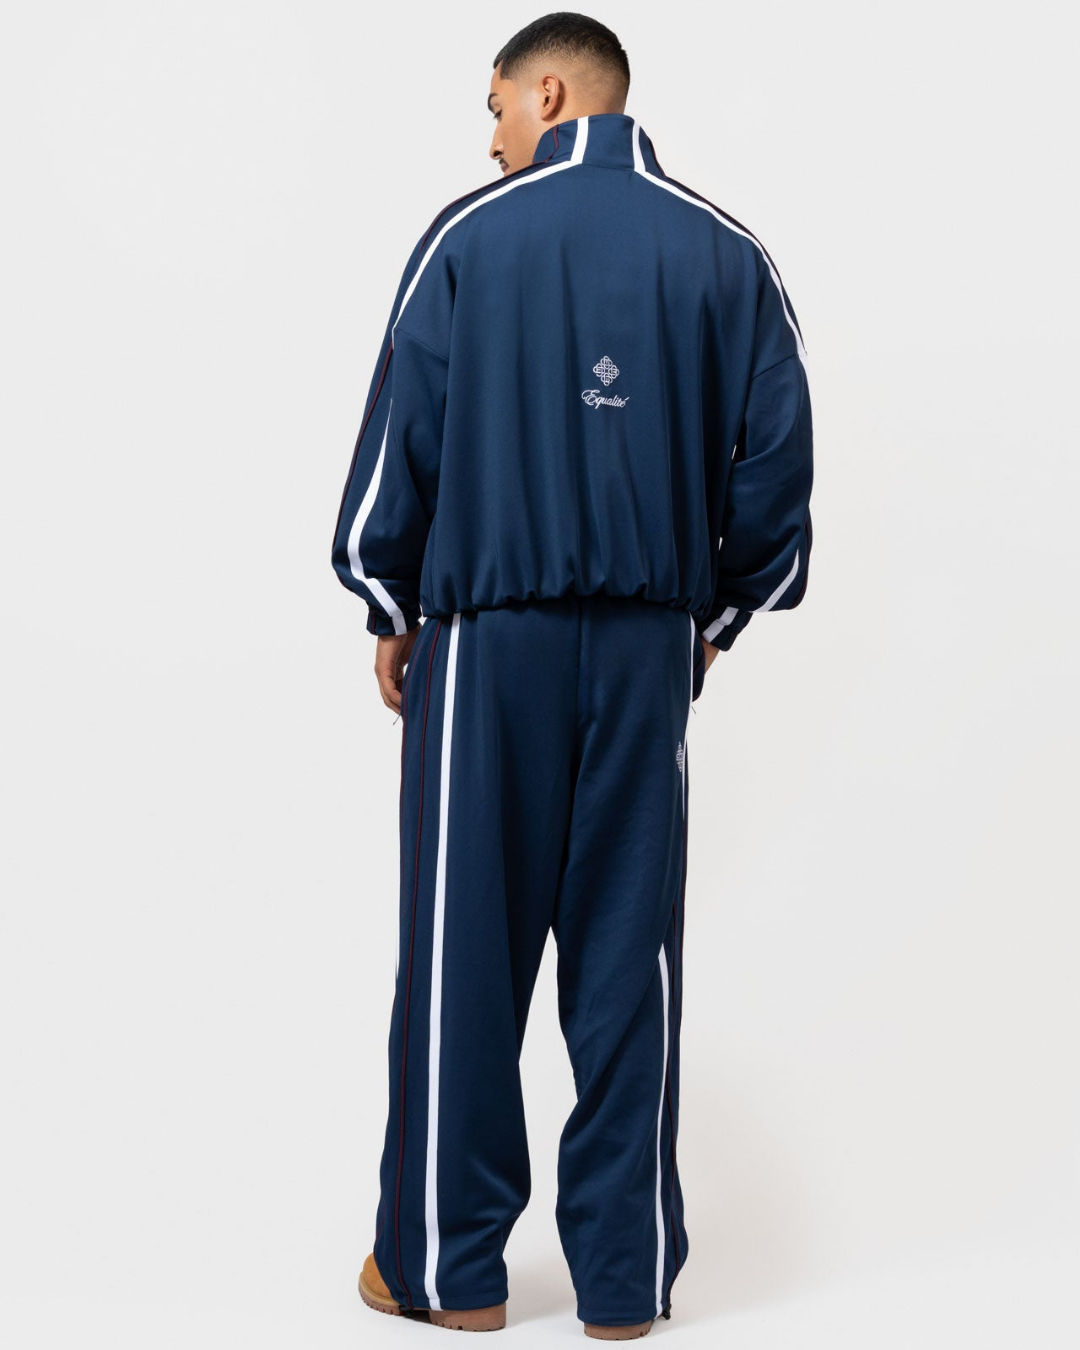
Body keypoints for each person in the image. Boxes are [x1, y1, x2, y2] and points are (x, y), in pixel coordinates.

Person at [331, 11, 814, 1339]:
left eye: (494, 108)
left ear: (548, 91)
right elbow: (778, 477)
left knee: (463, 954)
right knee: (627, 962)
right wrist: (705, 623)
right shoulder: (729, 254)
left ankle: (447, 1270)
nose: (489, 140)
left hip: (490, 643)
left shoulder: (469, 239)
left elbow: (401, 443)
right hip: (651, 647)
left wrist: (389, 599)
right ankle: (622, 1278)